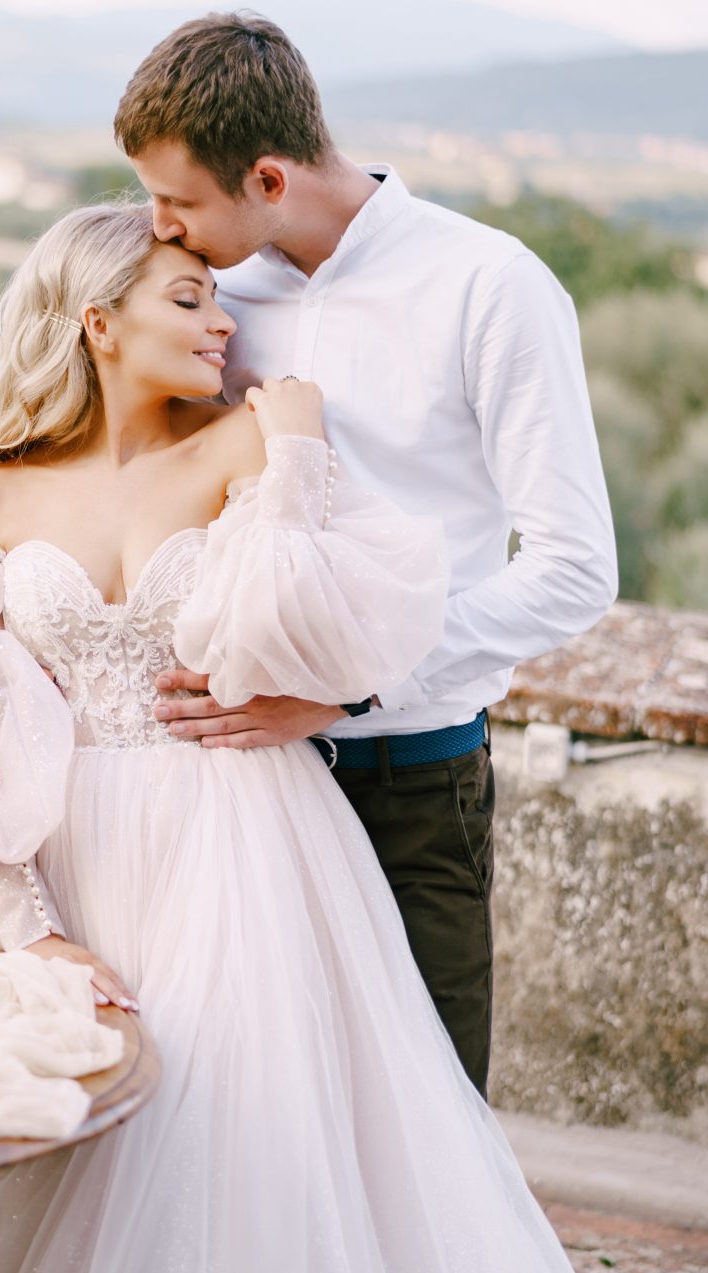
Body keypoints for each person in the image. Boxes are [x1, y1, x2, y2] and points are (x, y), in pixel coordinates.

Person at [0, 201, 572, 1271]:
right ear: (98, 322)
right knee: (60, 1148)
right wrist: (32, 931)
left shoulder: (249, 442)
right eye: (190, 298)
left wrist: (297, 454)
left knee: (228, 1137)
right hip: (70, 855)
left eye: (218, 299)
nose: (226, 327)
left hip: (245, 841)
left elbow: (316, 635)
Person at [115, 13, 617, 1097]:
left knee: (429, 1127)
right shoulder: (206, 294)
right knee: (243, 1126)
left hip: (411, 790)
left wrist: (343, 692)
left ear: (266, 175)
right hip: (223, 789)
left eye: (179, 200)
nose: (159, 227)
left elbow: (576, 567)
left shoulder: (492, 286)